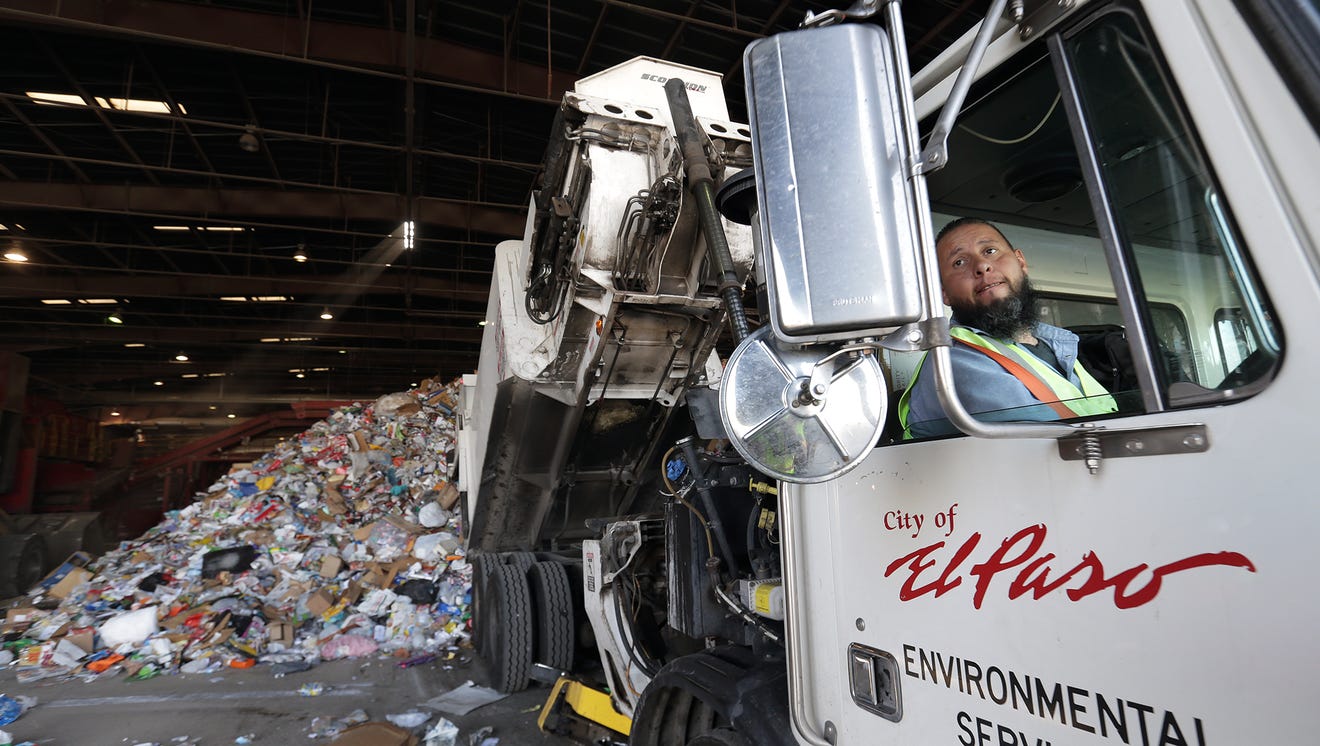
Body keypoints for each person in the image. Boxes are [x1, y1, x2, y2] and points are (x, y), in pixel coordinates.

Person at [898, 218, 1117, 438]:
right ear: (943, 293)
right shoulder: (954, 363)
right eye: (959, 262)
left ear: (1020, 262)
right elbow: (1066, 443)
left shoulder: (1056, 345)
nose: (982, 266)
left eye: (990, 251)